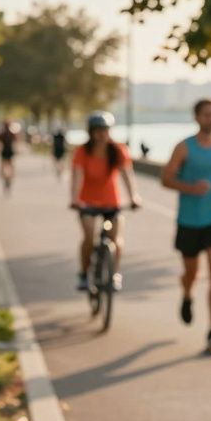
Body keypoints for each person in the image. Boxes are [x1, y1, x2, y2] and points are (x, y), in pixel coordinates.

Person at [160, 98, 211, 352]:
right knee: (191, 273)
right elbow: (165, 178)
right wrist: (190, 188)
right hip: (189, 220)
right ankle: (187, 295)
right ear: (197, 117)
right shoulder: (184, 148)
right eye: (207, 115)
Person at [71, 111, 142, 292]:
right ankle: (84, 273)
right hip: (87, 203)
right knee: (89, 236)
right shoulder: (82, 152)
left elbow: (127, 174)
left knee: (116, 239)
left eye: (105, 130)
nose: (102, 134)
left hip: (112, 203)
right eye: (98, 130)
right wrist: (75, 199)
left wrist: (134, 196)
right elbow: (77, 176)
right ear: (91, 132)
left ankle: (114, 274)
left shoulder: (118, 150)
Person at [0, 121, 18, 193]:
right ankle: (9, 178)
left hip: (4, 152)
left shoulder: (1, 134)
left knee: (3, 167)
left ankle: (5, 178)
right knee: (11, 166)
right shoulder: (12, 134)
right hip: (10, 152)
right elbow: (16, 143)